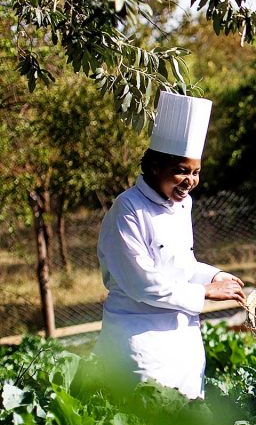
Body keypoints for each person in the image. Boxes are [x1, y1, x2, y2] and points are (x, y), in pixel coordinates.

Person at [93, 92, 246, 399]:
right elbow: (142, 283)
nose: (190, 181)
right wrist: (205, 292)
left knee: (188, 420)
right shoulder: (128, 209)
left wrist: (214, 276)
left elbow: (180, 265)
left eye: (196, 172)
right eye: (182, 171)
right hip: (141, 346)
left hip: (184, 345)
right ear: (154, 167)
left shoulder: (182, 205)